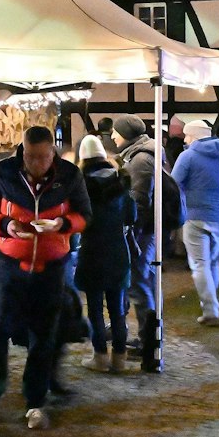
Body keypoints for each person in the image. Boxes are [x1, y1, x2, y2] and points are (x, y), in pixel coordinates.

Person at [0, 126, 89, 429]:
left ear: (53, 153)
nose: (37, 163)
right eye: (31, 156)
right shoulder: (2, 173)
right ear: (22, 151)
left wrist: (61, 224)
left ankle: (35, 402)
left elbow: (85, 215)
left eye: (43, 157)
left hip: (51, 268)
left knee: (43, 336)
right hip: (9, 264)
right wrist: (6, 225)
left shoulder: (70, 176)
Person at [113, 114, 181, 372]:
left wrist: (129, 229)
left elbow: (139, 200)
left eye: (117, 133)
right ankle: (148, 340)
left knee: (140, 284)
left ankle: (148, 344)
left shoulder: (140, 160)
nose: (113, 137)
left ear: (127, 134)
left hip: (144, 231)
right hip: (150, 229)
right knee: (146, 284)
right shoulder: (145, 153)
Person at [172, 121, 219, 326]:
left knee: (199, 264)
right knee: (212, 262)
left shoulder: (187, 156)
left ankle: (211, 310)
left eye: (187, 136)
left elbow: (174, 183)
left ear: (194, 136)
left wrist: (184, 201)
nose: (185, 140)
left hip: (194, 215)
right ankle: (212, 306)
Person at [74, 136, 136, 373]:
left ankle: (100, 356)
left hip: (92, 251)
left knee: (95, 309)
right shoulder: (121, 184)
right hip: (118, 251)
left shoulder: (81, 187)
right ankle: (119, 357)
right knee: (117, 309)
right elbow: (132, 216)